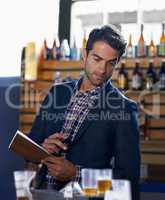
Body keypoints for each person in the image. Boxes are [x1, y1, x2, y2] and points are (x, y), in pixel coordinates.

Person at [28, 25, 140, 200]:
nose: (102, 70)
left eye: (111, 63)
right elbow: (30, 147)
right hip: (42, 193)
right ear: (84, 54)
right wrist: (42, 147)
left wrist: (76, 174)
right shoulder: (57, 93)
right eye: (97, 59)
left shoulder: (123, 108)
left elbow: (127, 180)